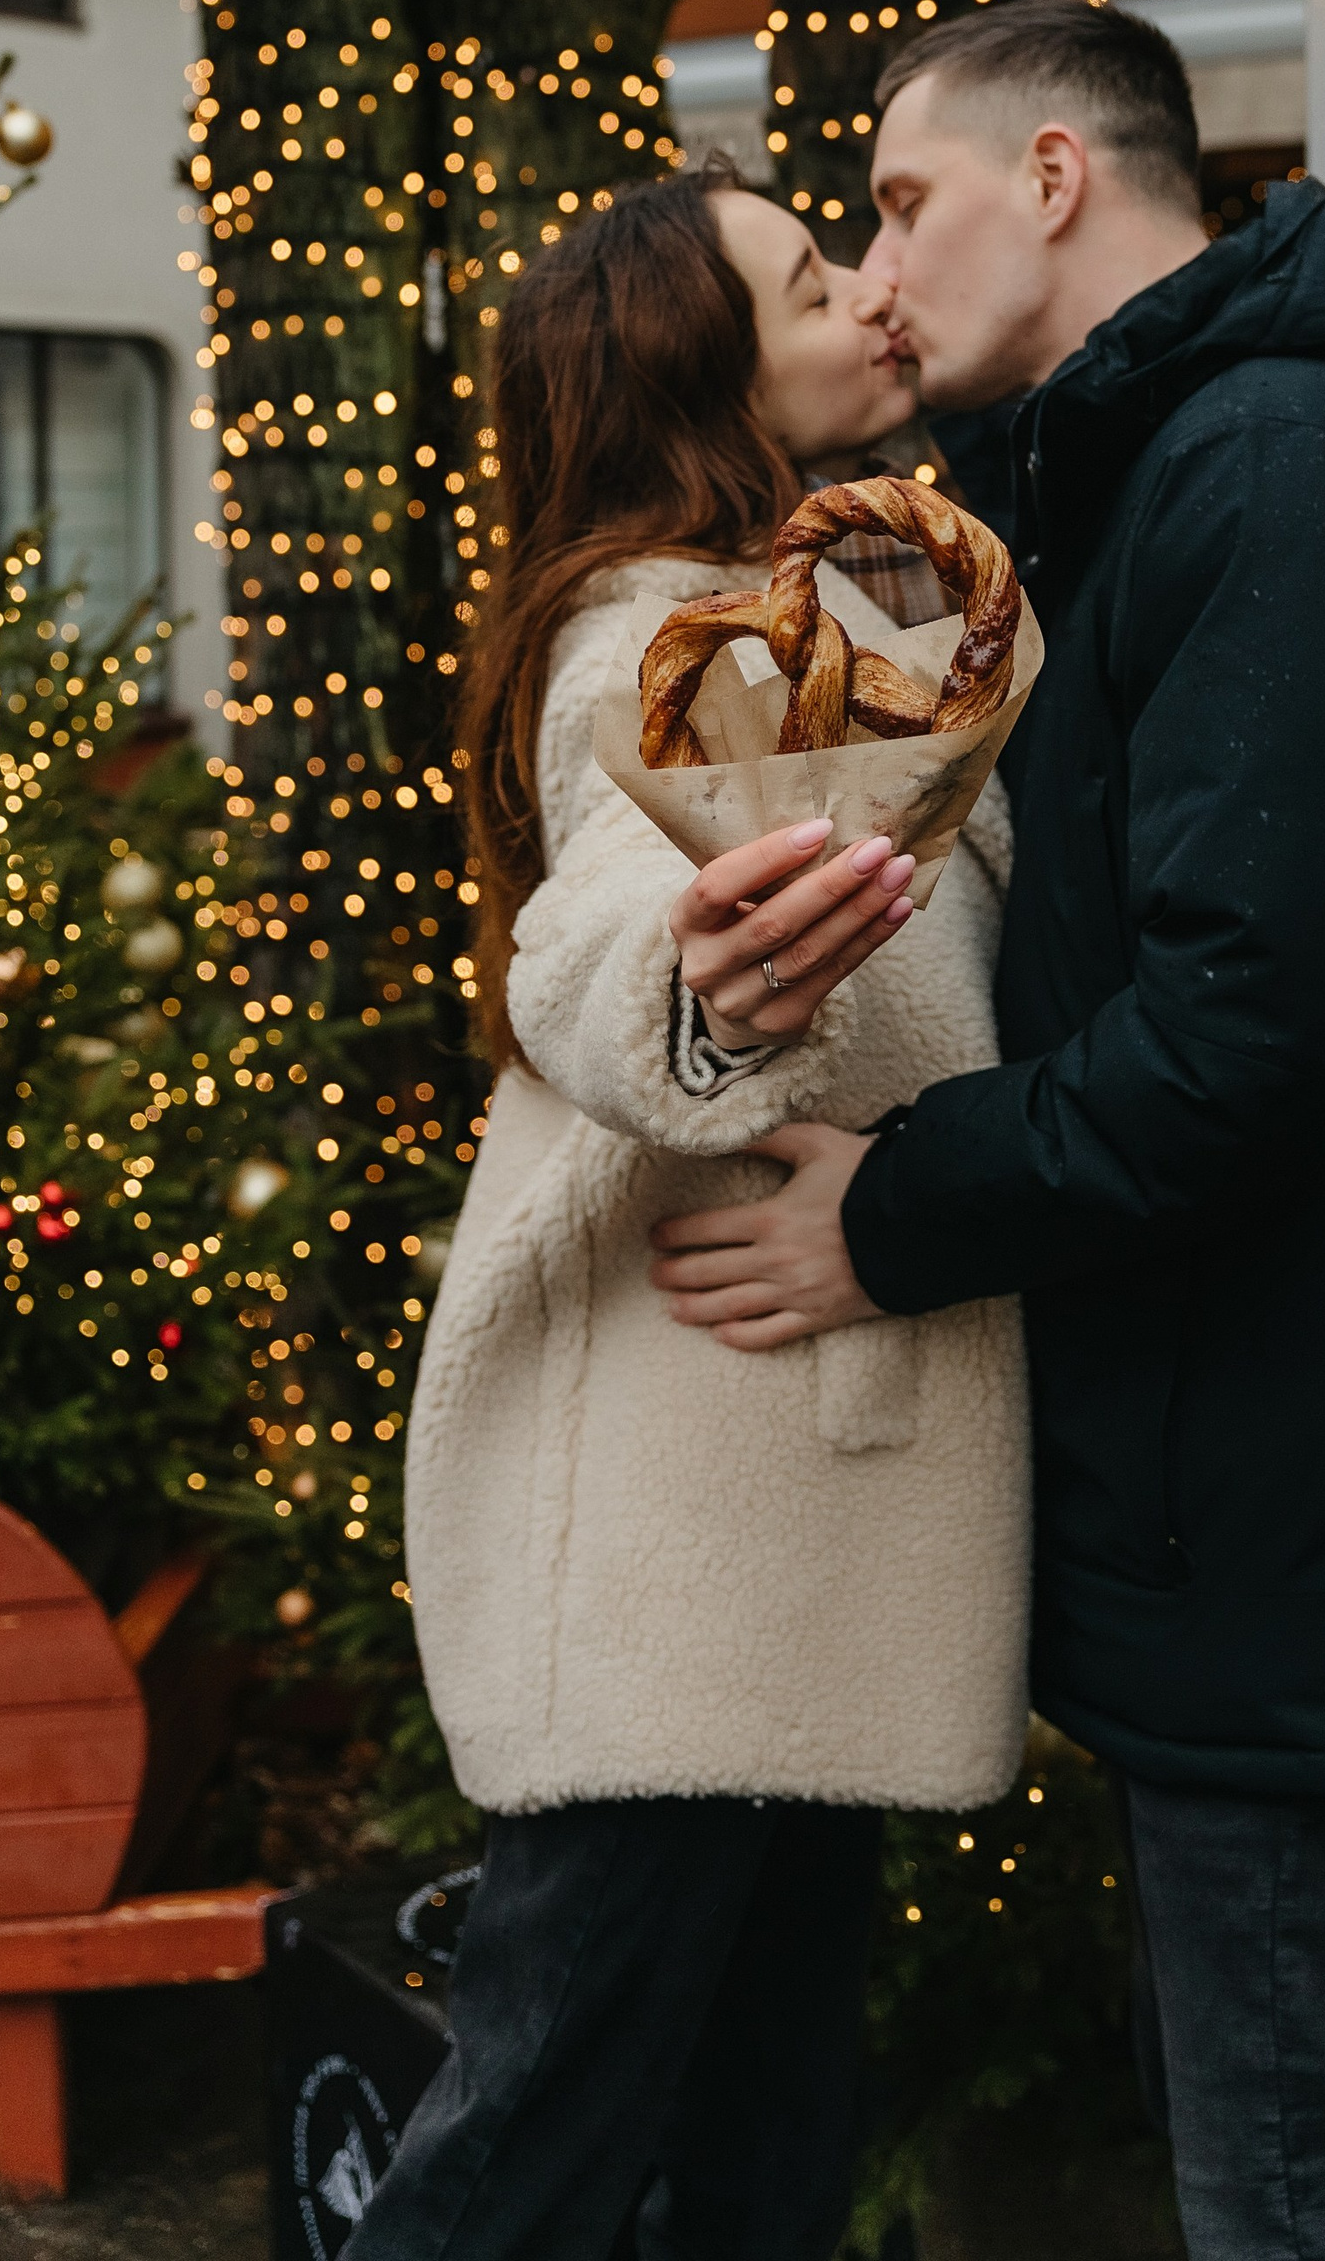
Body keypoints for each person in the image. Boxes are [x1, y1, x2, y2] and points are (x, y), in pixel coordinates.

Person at [646, 0, 1325, 2261]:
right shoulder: (1145, 465)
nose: (878, 274)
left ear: (1059, 178)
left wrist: (893, 1217)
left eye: (903, 203)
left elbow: (1254, 1029)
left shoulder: (1270, 469)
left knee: (1301, 2203)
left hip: (1296, 1492)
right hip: (1251, 1483)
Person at [352, 169, 1027, 2261]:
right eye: (813, 281)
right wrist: (696, 991)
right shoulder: (647, 633)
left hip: (789, 1476)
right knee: (542, 2128)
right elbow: (617, 923)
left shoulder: (822, 600)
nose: (869, 300)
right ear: (701, 369)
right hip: (685, 1501)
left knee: (751, 2112)